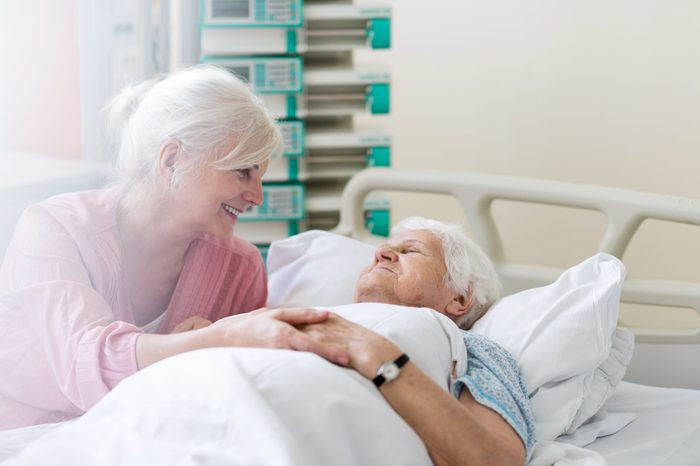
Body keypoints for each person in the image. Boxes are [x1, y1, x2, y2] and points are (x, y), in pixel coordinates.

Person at [0, 66, 345, 430]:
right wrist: (208, 342)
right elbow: (86, 363)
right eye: (242, 172)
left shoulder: (240, 268)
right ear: (172, 159)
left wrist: (199, 357)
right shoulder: (55, 229)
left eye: (260, 177)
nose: (257, 197)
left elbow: (232, 398)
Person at [300, 217, 535, 465]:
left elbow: (495, 460)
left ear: (460, 297)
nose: (381, 254)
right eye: (385, 249)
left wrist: (377, 356)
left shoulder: (475, 350)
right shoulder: (311, 314)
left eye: (410, 250)